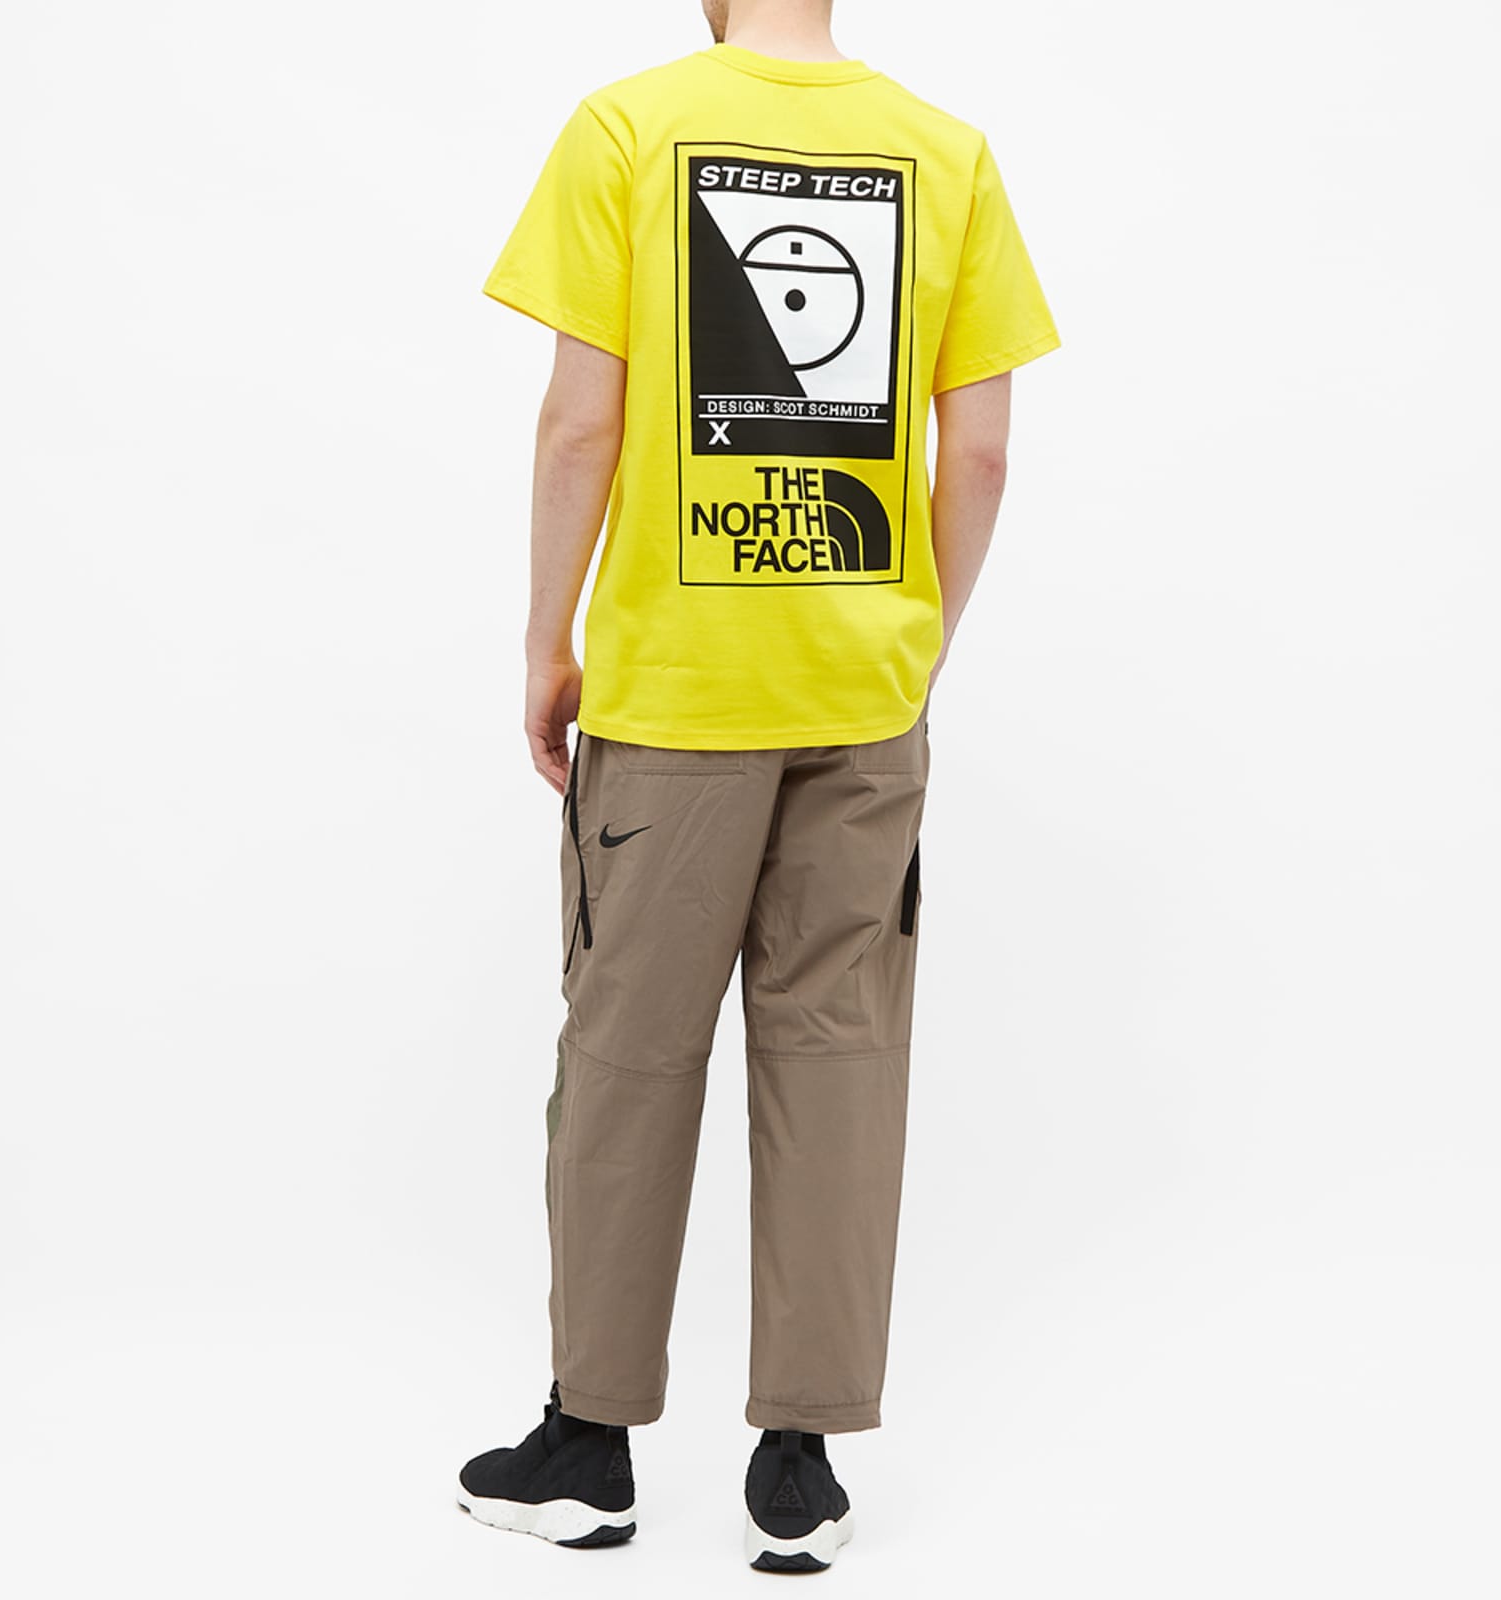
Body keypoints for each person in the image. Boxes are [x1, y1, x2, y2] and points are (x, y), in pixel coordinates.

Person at [457, 0, 1059, 1572]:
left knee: (628, 1058)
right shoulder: (945, 155)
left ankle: (589, 1445)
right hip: (864, 705)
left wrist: (546, 640)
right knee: (840, 1056)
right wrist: (913, 652)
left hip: (676, 695)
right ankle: (801, 1468)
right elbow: (982, 456)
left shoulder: (630, 126)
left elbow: (581, 421)